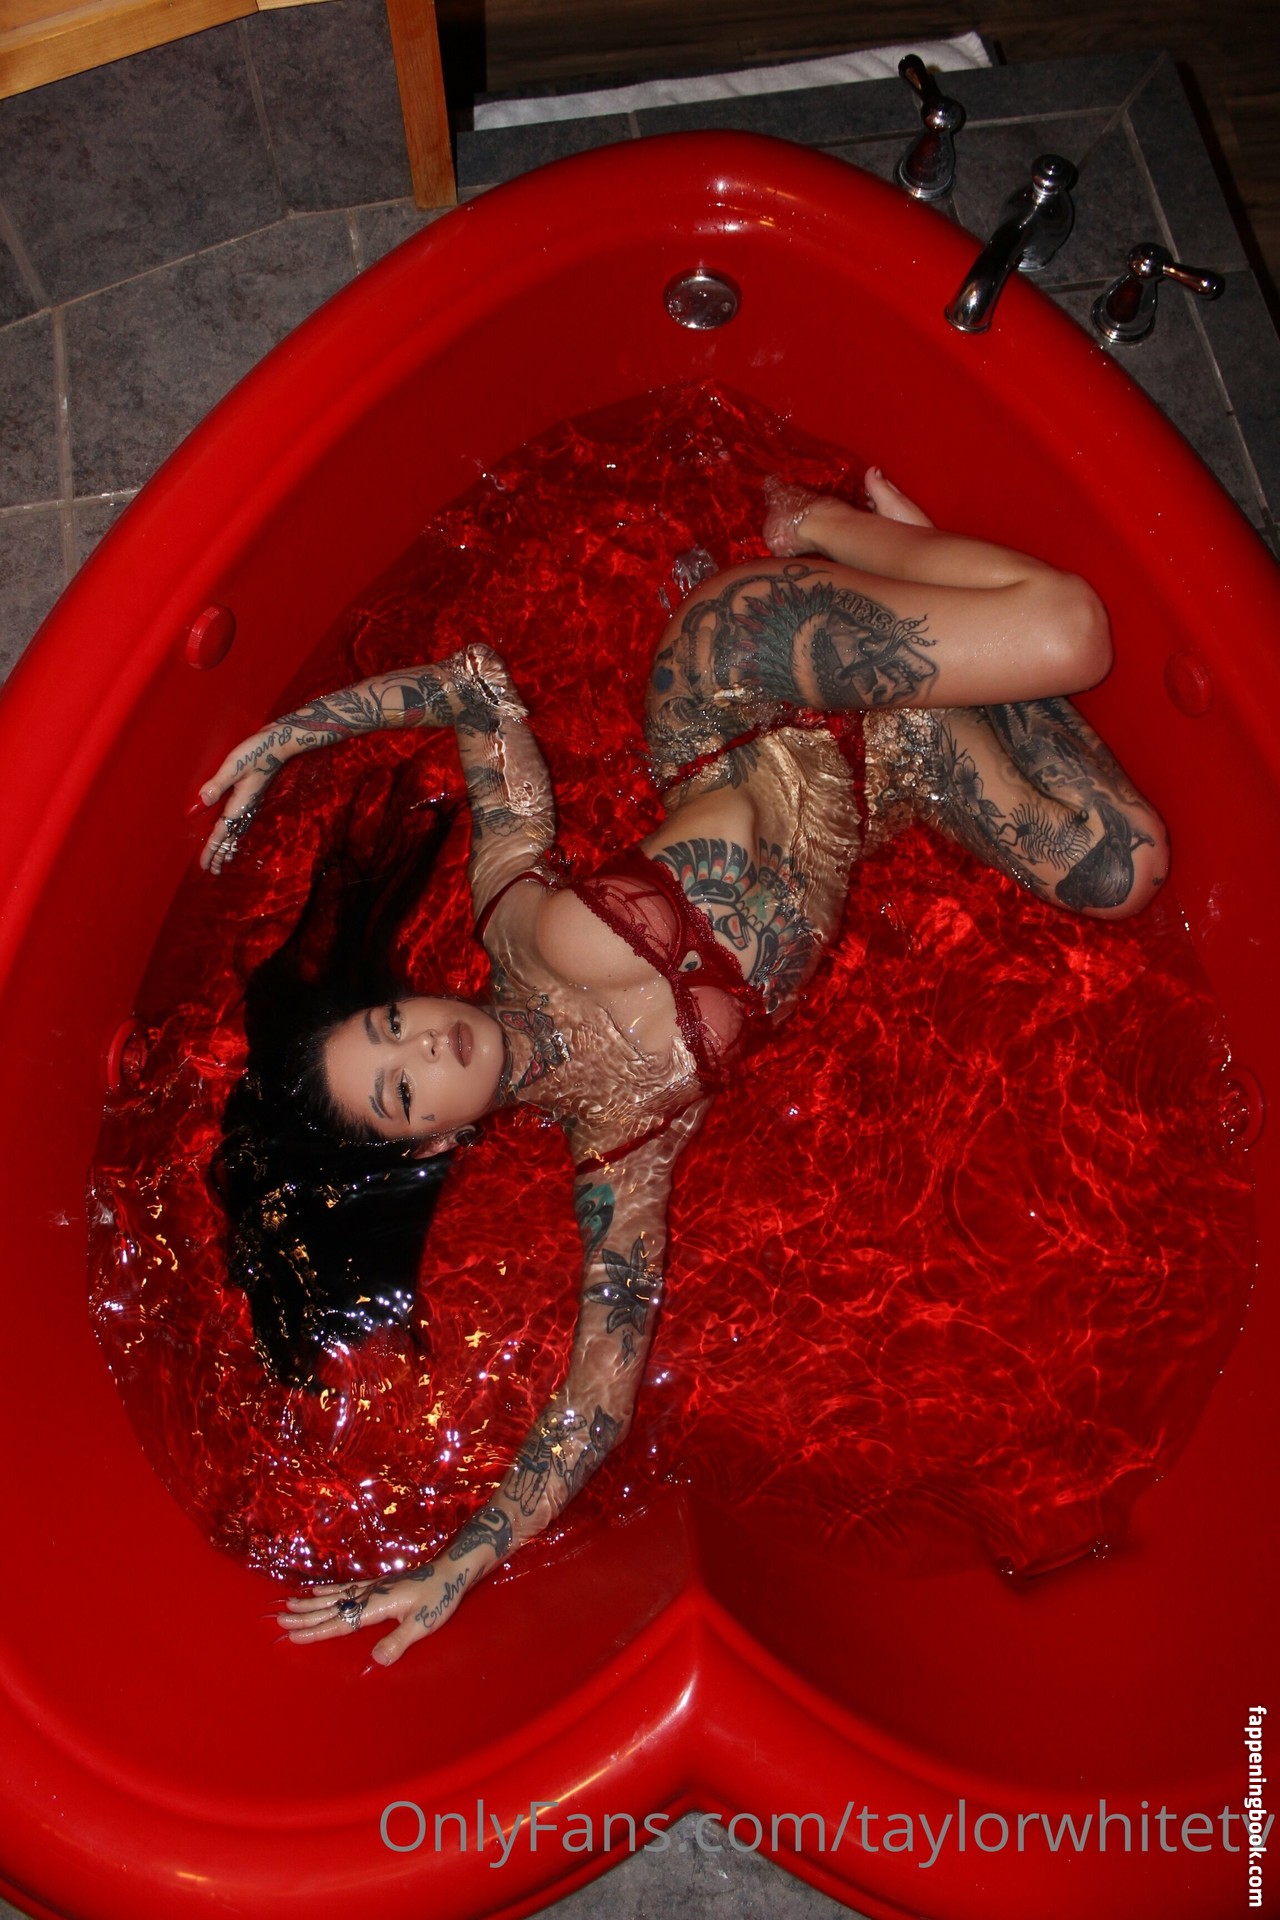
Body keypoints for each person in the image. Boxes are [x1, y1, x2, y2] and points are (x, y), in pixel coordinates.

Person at [199, 470, 1168, 1665]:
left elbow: (477, 689)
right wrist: (460, 1561)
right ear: (435, 1141)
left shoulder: (509, 912)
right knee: (1120, 868)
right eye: (400, 1088)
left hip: (743, 685)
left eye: (391, 1020)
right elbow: (593, 1402)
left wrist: (290, 736)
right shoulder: (626, 1144)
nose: (424, 1042)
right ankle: (939, 618)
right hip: (882, 779)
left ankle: (820, 532)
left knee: (1070, 632)